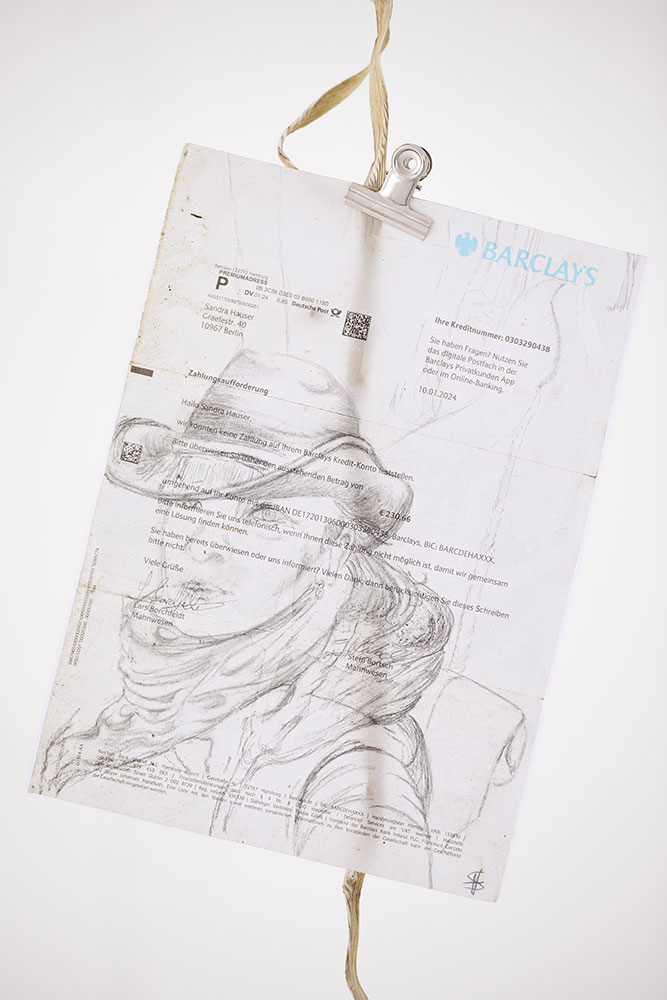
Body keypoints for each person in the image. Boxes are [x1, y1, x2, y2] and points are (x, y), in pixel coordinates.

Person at [41, 350, 458, 858]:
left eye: (263, 518)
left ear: (336, 547)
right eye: (190, 501)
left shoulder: (350, 769)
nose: (201, 544)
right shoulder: (150, 683)